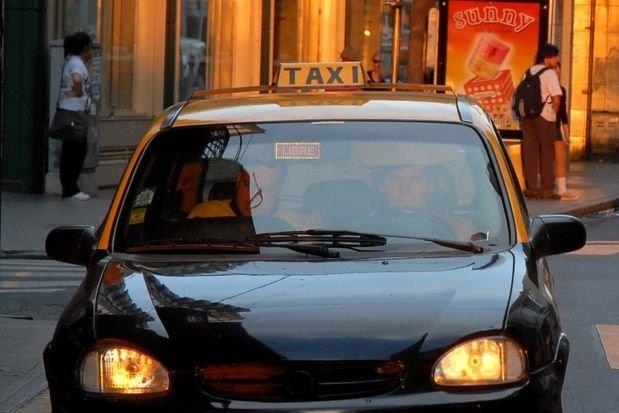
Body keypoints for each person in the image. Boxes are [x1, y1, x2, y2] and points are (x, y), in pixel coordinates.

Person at [375, 165, 477, 241]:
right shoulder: (361, 229)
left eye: (415, 179)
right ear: (381, 187)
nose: (405, 190)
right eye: (395, 179)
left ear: (429, 186)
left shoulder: (459, 228)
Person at [520, 44, 563, 200]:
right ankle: (547, 189)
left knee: (530, 150)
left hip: (527, 116)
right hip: (544, 116)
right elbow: (556, 98)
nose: (557, 60)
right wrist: (553, 113)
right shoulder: (549, 74)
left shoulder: (528, 72)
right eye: (555, 57)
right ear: (547, 58)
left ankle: (532, 188)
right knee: (547, 152)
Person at [57, 32, 92, 200]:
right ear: (84, 48)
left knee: (70, 149)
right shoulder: (77, 63)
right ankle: (71, 189)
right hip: (74, 112)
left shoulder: (71, 61)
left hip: (69, 110)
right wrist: (77, 92)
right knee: (77, 149)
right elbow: (77, 79)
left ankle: (69, 188)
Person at [553, 62, 577, 200]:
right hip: (542, 127)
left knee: (560, 158)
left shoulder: (561, 89)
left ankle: (562, 190)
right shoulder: (541, 87)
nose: (556, 70)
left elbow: (562, 112)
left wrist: (567, 132)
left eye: (558, 67)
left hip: (555, 128)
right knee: (543, 160)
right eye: (553, 68)